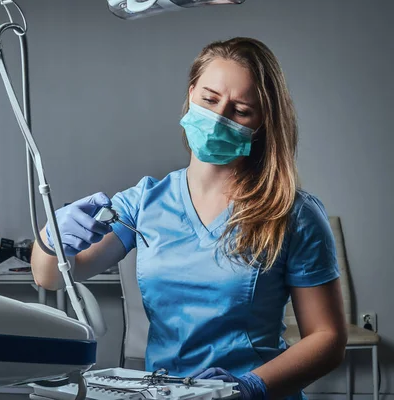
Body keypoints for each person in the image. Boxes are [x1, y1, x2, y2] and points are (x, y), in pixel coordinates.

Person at [30, 37, 347, 400]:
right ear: (191, 92)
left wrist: (249, 388)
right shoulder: (145, 201)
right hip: (165, 393)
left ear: (262, 123)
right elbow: (51, 275)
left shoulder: (292, 213)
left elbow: (328, 339)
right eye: (210, 100)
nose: (217, 119)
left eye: (241, 110)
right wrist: (52, 237)